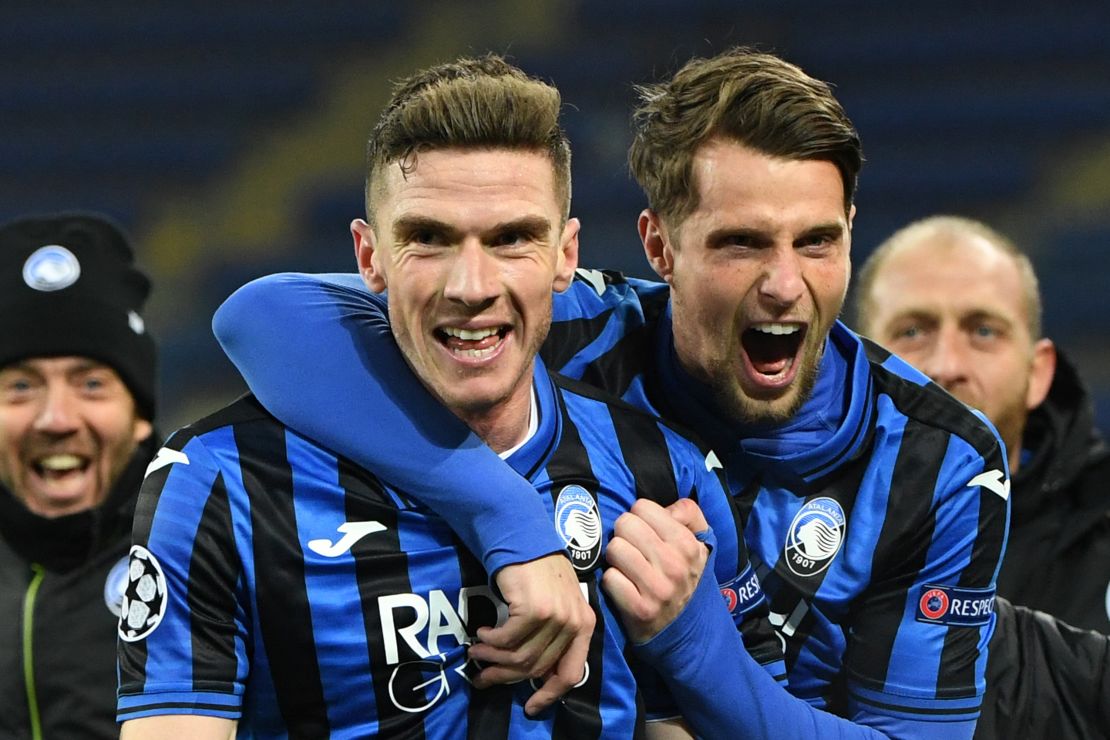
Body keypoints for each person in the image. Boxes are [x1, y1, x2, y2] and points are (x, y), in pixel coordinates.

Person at [214, 47, 1010, 737]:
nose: (782, 285)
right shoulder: (570, 324)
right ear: (658, 245)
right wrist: (515, 523)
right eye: (740, 244)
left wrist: (696, 646)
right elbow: (264, 317)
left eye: (817, 243)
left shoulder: (943, 462)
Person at [117, 55, 789, 739]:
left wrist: (690, 648)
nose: (471, 285)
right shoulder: (222, 480)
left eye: (512, 239)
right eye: (429, 239)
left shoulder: (658, 476)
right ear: (368, 256)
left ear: (566, 255)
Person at [853, 215, 1110, 739]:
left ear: (1038, 372)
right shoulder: (781, 527)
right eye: (913, 331)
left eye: (984, 331)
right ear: (855, 362)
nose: (947, 365)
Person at [0, 213, 158, 739]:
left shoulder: (215, 551)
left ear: (140, 416)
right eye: (20, 387)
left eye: (90, 384)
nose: (56, 420)